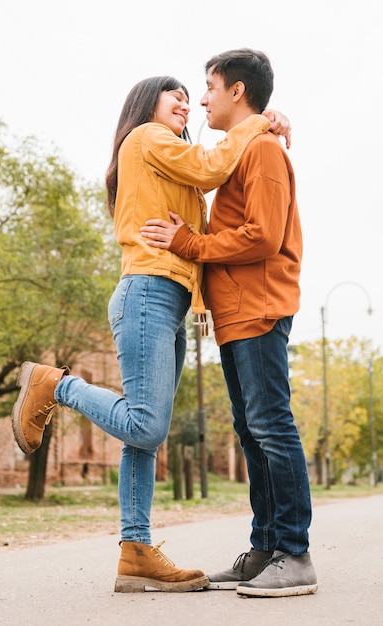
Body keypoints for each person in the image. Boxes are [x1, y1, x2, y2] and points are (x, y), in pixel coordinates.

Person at [11, 73, 290, 593]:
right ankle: (55, 384)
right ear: (147, 104)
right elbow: (213, 165)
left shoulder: (169, 158)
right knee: (145, 425)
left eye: (192, 95)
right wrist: (258, 122)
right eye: (176, 95)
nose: (187, 102)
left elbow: (202, 207)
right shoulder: (147, 137)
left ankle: (136, 552)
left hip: (170, 299)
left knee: (140, 437)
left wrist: (263, 122)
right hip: (148, 292)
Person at [140, 48, 318, 598]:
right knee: (250, 430)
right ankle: (265, 547)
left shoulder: (262, 150)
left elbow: (262, 236)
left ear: (237, 91)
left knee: (271, 425)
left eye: (210, 87)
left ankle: (295, 552)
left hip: (260, 306)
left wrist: (188, 242)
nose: (204, 99)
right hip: (236, 314)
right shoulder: (242, 149)